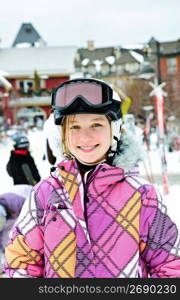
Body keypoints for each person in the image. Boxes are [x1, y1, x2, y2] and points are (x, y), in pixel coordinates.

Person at [4, 78, 180, 278]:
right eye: (75, 127)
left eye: (96, 125)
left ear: (114, 130)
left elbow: (171, 266)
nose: (85, 137)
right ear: (63, 135)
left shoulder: (143, 196)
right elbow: (20, 264)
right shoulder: (45, 194)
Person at [0, 184, 33, 274]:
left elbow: (31, 215)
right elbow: (3, 239)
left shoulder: (15, 201)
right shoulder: (4, 223)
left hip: (28, 194)